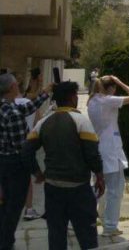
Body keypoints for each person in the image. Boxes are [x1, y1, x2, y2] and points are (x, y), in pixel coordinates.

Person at [23, 81, 104, 250]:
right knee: (87, 238)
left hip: (53, 189)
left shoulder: (43, 123)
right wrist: (99, 176)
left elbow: (27, 150)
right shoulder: (81, 121)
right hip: (79, 189)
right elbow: (92, 154)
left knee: (56, 236)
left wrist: (38, 172)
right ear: (72, 97)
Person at [0, 73, 51, 250]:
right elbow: (23, 149)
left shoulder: (7, 107)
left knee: (5, 204)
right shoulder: (13, 114)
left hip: (4, 162)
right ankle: (6, 243)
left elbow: (28, 108)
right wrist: (36, 171)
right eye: (17, 83)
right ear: (12, 88)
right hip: (14, 166)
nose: (19, 85)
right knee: (13, 208)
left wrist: (45, 92)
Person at [87, 75, 129, 237]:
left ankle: (89, 219)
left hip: (99, 148)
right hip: (111, 150)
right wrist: (119, 81)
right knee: (115, 190)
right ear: (110, 88)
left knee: (99, 189)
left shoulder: (92, 102)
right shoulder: (107, 100)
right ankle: (110, 226)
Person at [15, 69, 43, 221]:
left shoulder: (6, 105)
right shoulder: (28, 104)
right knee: (27, 180)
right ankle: (29, 209)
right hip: (26, 144)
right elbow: (39, 121)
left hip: (7, 148)